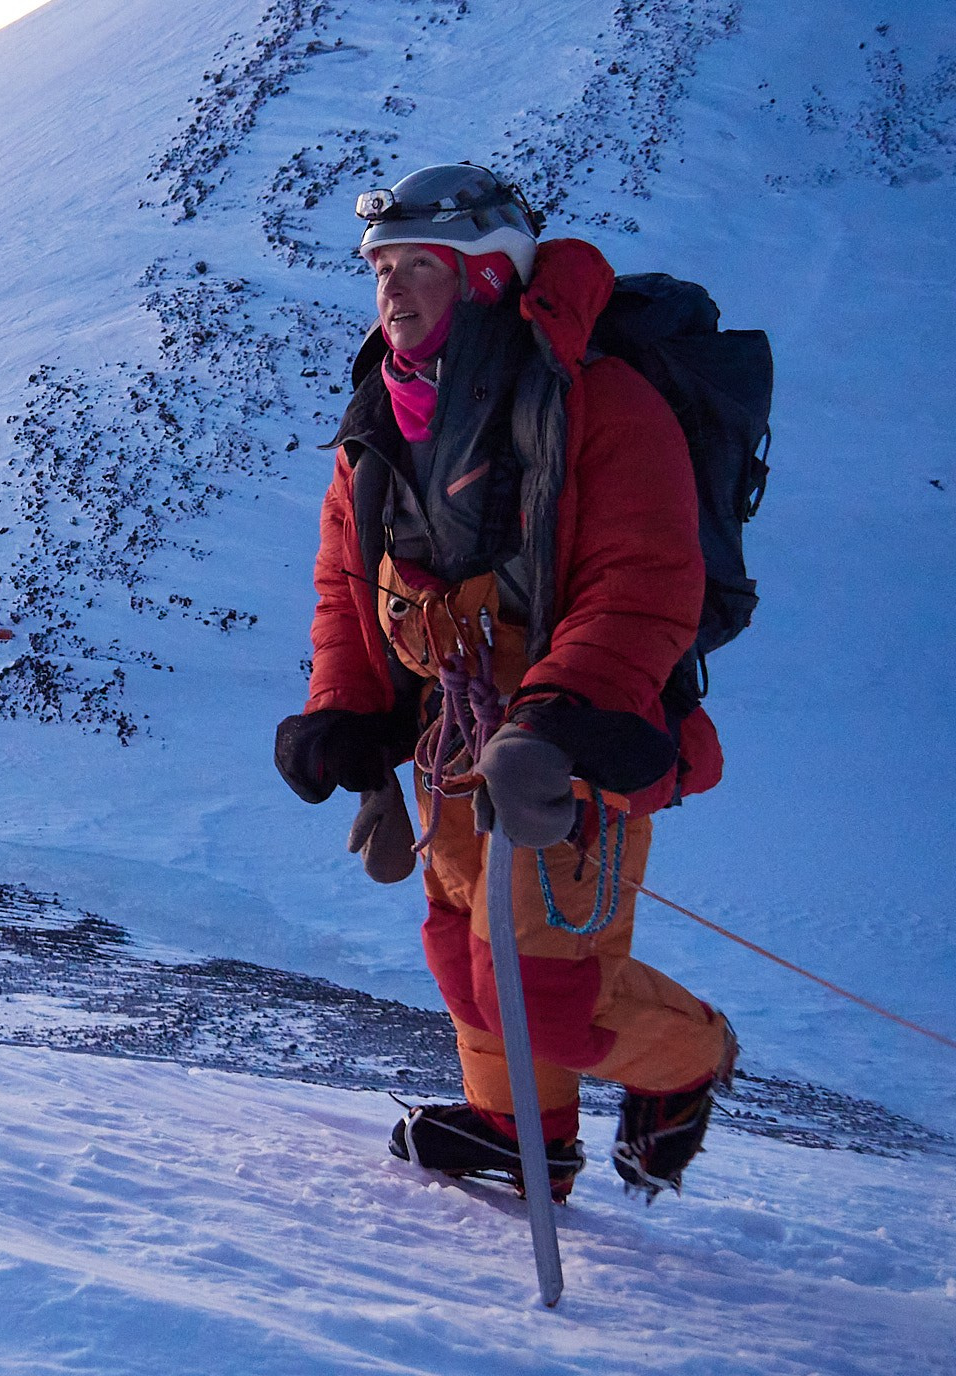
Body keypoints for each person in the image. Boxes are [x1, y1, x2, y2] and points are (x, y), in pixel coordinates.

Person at [274, 163, 737, 1200]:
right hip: (454, 727)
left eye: (419, 267)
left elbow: (642, 578)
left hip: (569, 739)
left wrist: (555, 719)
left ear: (486, 277)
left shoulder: (598, 403)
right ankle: (515, 1132)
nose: (390, 290)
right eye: (380, 268)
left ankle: (686, 1060)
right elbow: (345, 583)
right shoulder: (376, 426)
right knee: (457, 945)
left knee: (541, 986)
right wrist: (347, 727)